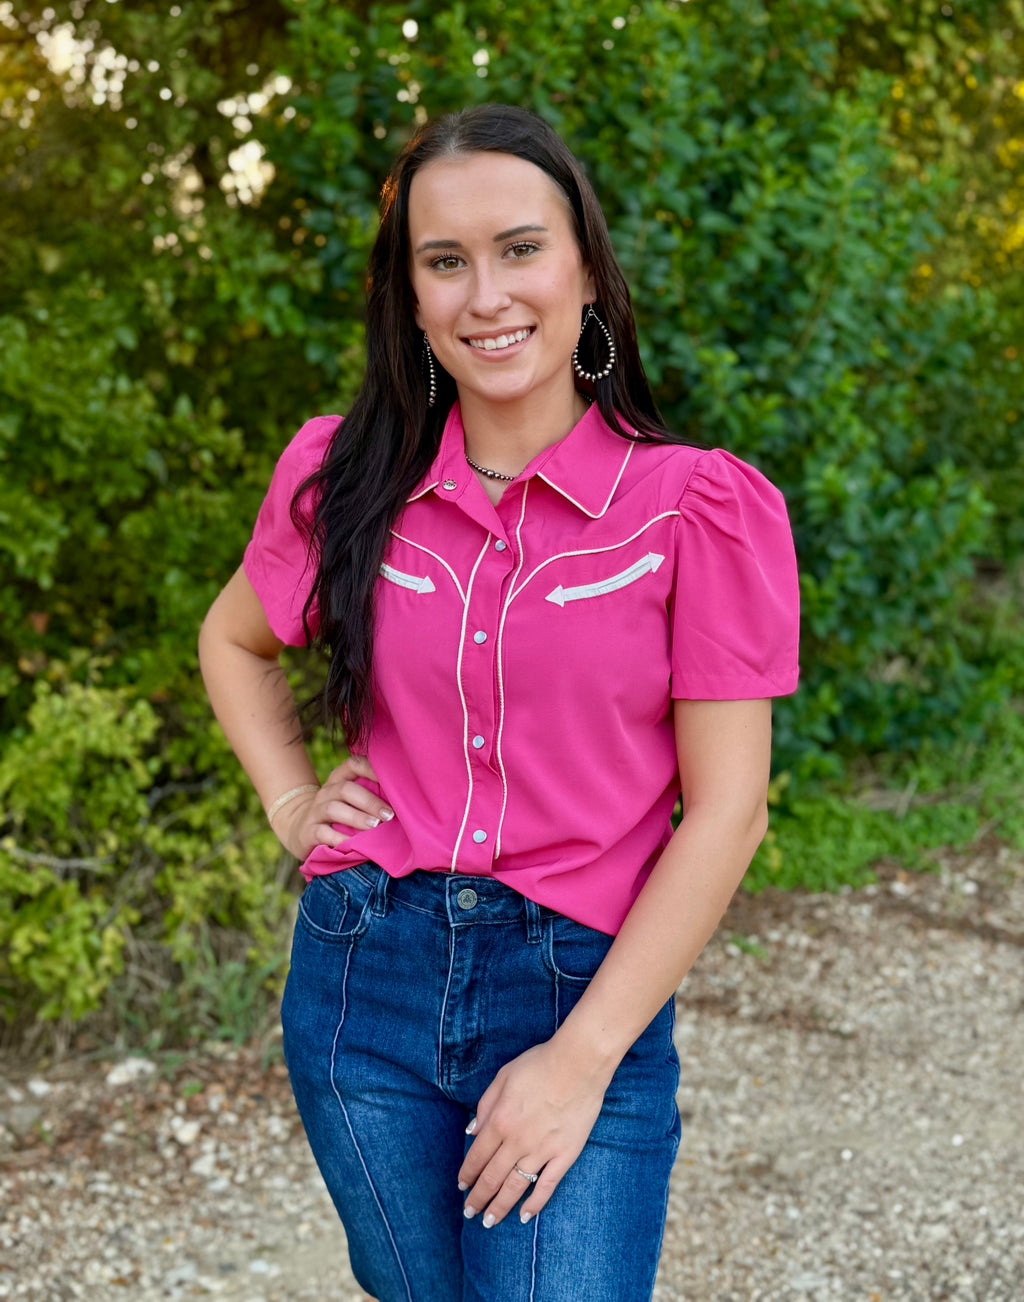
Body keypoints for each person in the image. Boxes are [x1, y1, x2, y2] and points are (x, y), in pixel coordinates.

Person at [198, 103, 799, 1302]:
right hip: (363, 976)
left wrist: (579, 1060)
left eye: (520, 248)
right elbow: (232, 639)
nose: (487, 295)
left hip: (578, 979)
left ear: (584, 266)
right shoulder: (343, 475)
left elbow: (728, 814)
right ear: (411, 298)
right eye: (444, 261)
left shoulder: (697, 510)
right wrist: (291, 802)